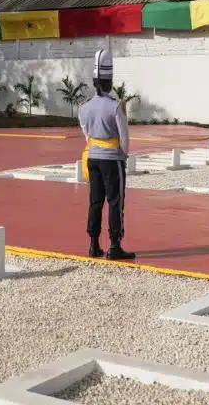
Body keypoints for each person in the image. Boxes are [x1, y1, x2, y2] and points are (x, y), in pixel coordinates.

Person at [78, 49, 134, 260]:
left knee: (95, 201)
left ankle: (93, 244)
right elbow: (124, 138)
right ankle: (115, 245)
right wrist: (123, 155)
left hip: (93, 158)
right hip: (112, 159)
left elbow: (86, 133)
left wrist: (95, 147)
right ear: (109, 82)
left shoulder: (84, 107)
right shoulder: (115, 107)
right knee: (115, 202)